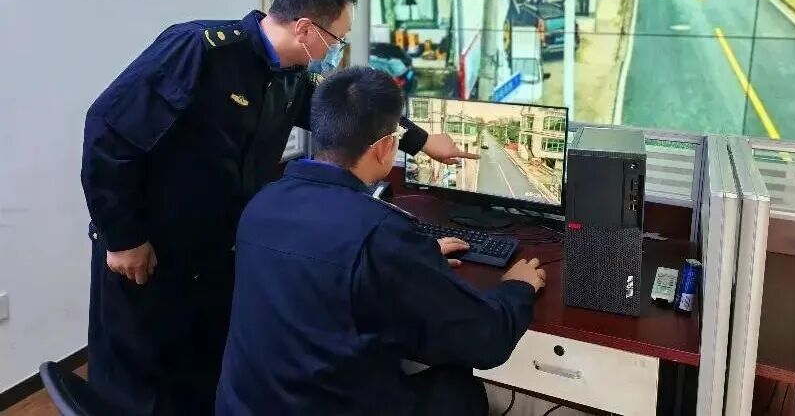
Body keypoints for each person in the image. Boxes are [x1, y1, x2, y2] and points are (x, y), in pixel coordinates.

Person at [81, 0, 476, 415]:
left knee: (199, 373)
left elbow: (355, 115)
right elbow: (108, 131)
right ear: (305, 28)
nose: (337, 51)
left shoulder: (291, 77)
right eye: (337, 39)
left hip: (213, 252)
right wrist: (123, 236)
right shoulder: (199, 51)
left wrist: (422, 141)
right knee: (138, 385)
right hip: (148, 251)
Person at [216, 67, 547, 416]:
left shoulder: (262, 203)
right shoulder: (380, 233)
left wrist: (412, 256)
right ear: (386, 146)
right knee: (461, 389)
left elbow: (325, 262)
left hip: (244, 406)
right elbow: (487, 340)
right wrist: (518, 287)